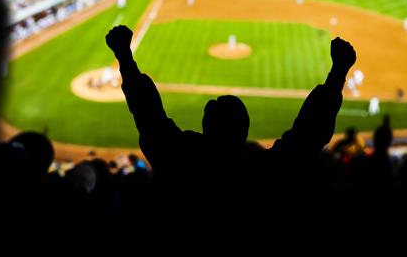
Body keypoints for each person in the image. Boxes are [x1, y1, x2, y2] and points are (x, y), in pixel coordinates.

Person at [105, 25, 356, 202]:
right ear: (245, 131)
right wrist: (338, 73)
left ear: (204, 126)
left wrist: (125, 56)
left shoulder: (178, 157)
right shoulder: (261, 172)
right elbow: (305, 140)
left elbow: (148, 116)